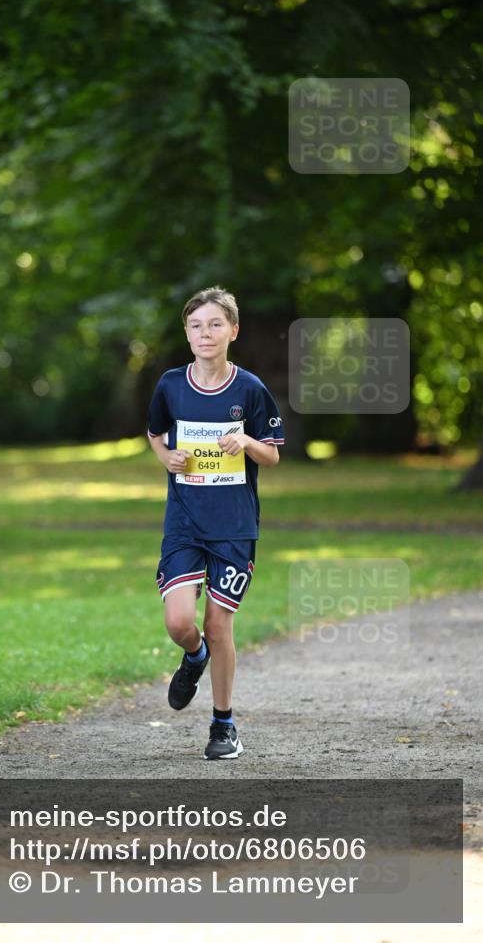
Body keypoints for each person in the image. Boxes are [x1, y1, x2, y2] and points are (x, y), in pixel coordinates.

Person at [147, 286, 284, 759]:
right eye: (196, 325)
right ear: (187, 335)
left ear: (233, 330)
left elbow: (273, 455)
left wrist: (245, 441)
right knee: (180, 622)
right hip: (184, 520)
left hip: (233, 525)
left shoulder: (249, 389)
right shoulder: (170, 384)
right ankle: (194, 656)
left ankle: (223, 725)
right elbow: (154, 434)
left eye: (215, 324)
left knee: (218, 623)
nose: (205, 333)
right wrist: (168, 457)